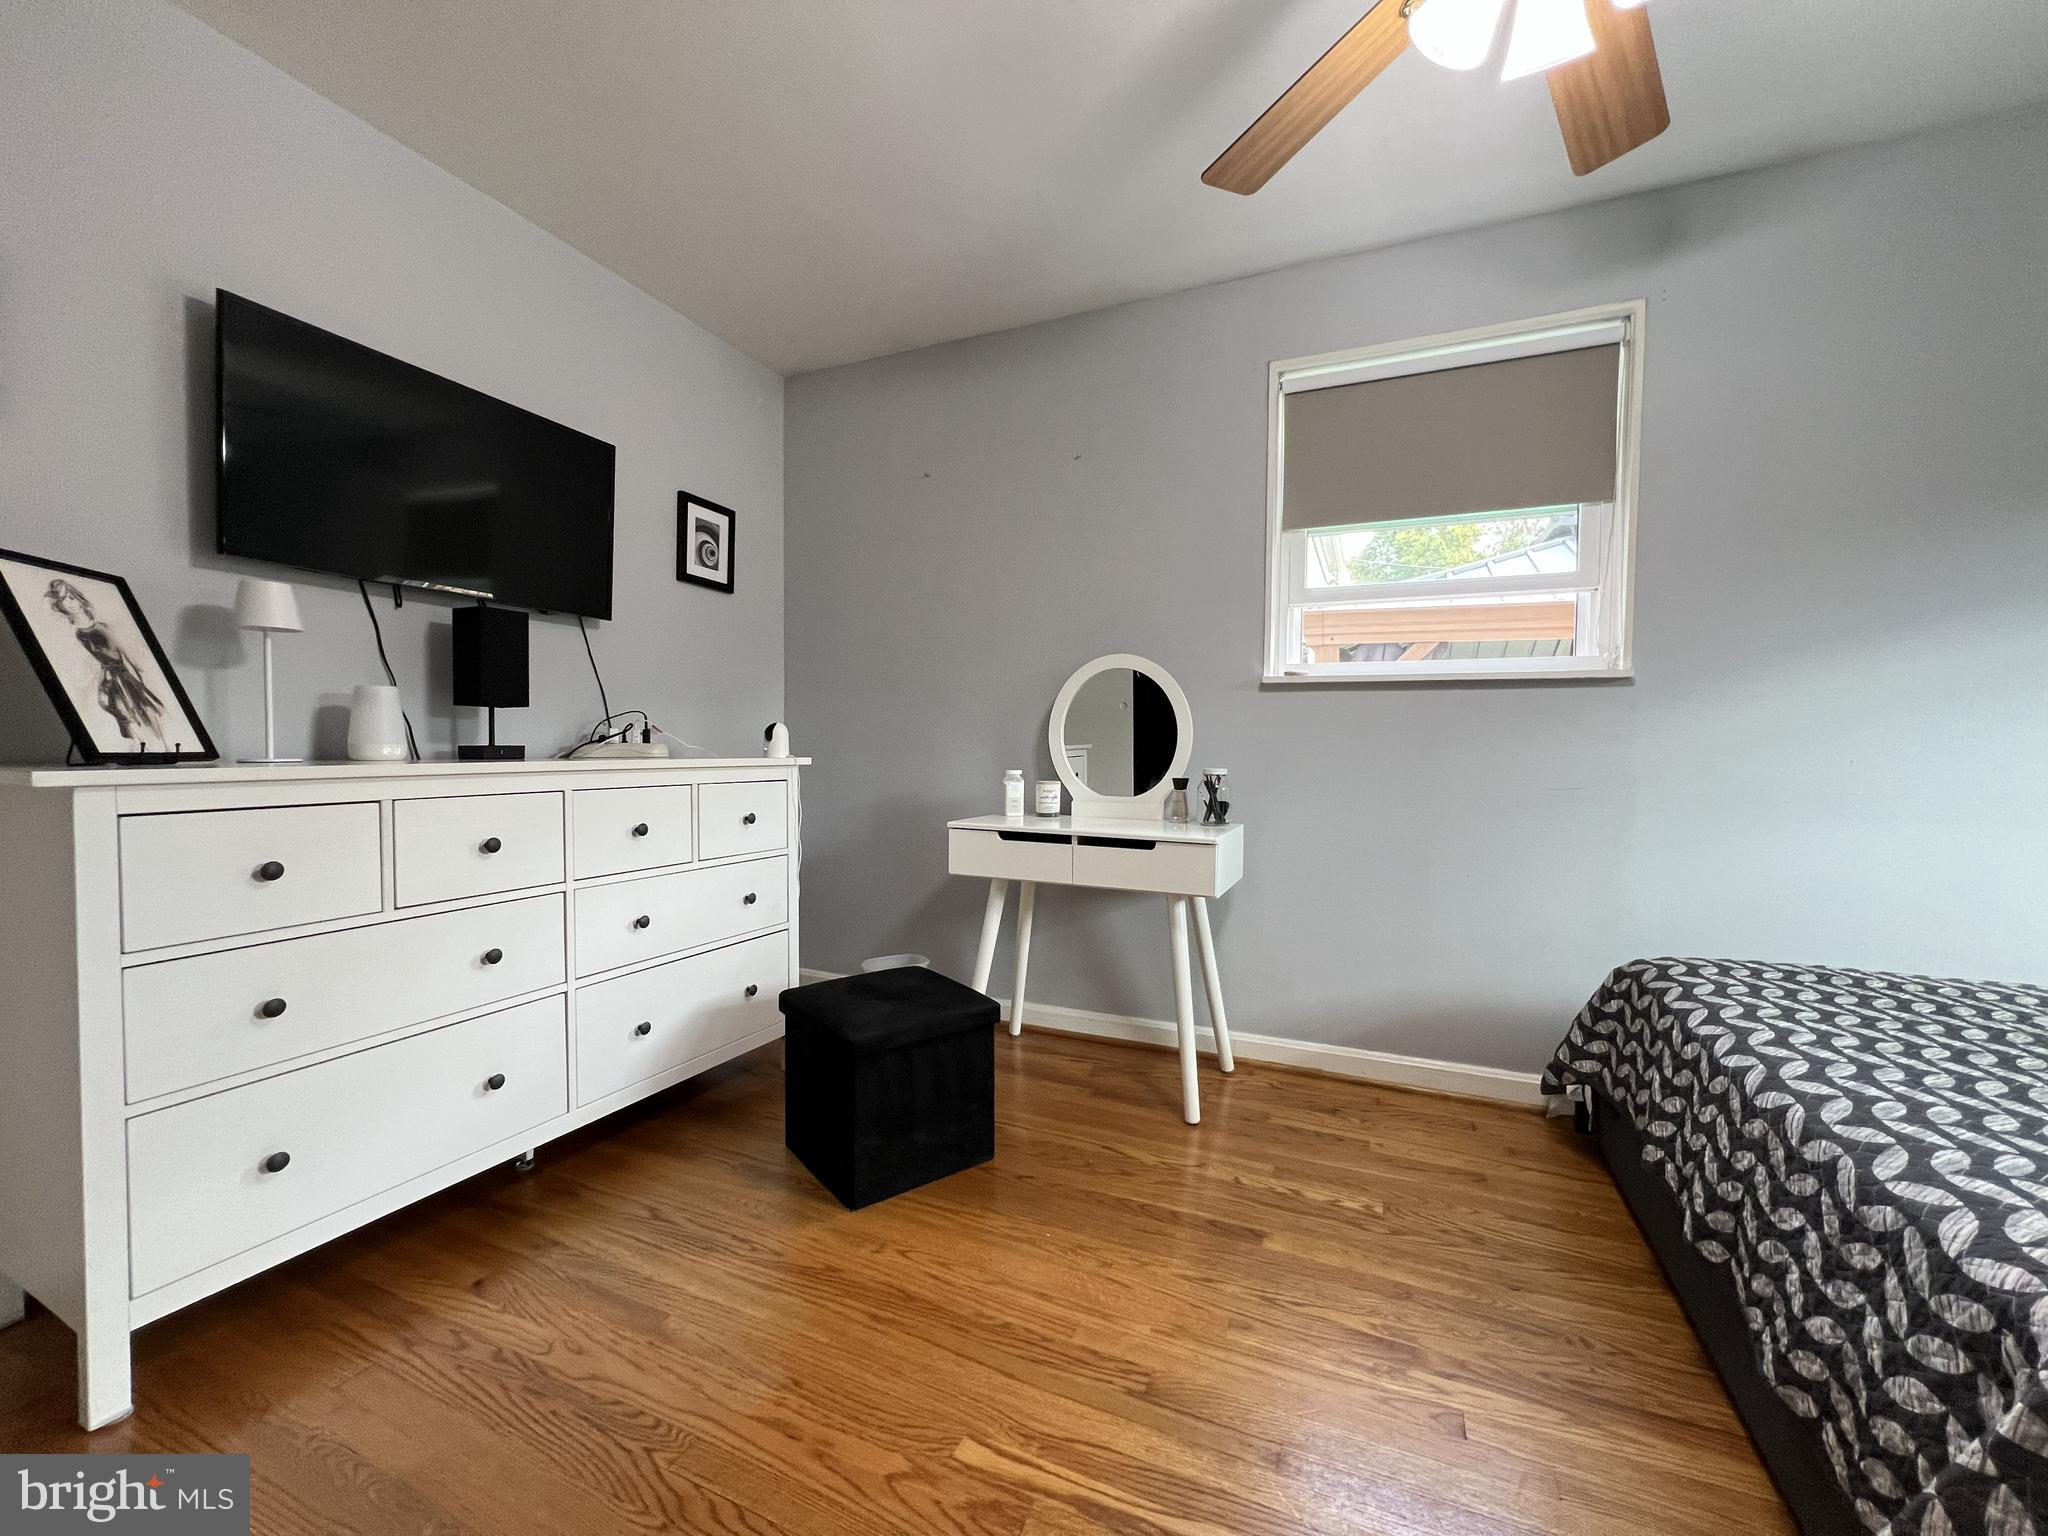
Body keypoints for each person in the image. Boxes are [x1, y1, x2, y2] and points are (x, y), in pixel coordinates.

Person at [45, 578, 169, 751]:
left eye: (72, 597)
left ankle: (159, 745)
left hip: (123, 672)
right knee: (121, 709)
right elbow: (103, 655)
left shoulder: (100, 627)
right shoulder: (82, 634)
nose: (71, 602)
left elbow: (121, 651)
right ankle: (141, 745)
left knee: (142, 707)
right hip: (113, 675)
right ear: (61, 607)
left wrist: (132, 670)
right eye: (65, 600)